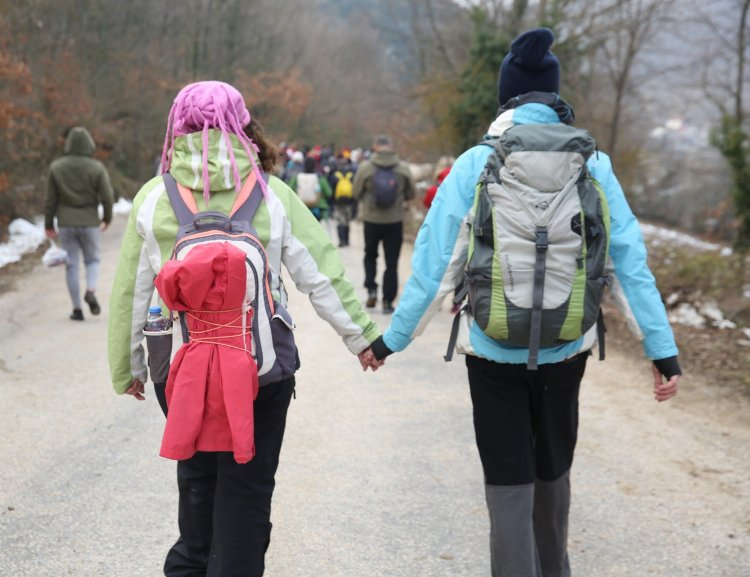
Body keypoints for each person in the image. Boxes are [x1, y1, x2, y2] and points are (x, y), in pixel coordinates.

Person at [368, 28, 681, 577]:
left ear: (505, 97)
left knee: (507, 481)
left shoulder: (475, 164)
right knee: (552, 470)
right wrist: (662, 350)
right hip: (567, 345)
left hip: (492, 349)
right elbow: (628, 263)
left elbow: (436, 265)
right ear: (555, 96)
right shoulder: (594, 165)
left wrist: (391, 340)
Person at [107, 81, 382, 577]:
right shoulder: (272, 192)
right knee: (248, 491)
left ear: (177, 128)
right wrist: (361, 338)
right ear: (242, 126)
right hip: (260, 371)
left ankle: (191, 563)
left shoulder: (154, 197)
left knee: (197, 481)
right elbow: (321, 272)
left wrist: (128, 368)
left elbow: (132, 291)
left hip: (184, 370)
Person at [45, 126, 114, 321]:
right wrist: (107, 218)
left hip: (66, 223)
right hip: (90, 222)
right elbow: (107, 197)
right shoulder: (96, 168)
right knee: (92, 260)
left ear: (68, 144)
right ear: (89, 144)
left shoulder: (56, 167)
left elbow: (51, 199)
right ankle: (90, 290)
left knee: (71, 266)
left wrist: (49, 224)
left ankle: (77, 309)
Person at [352, 134, 416, 314]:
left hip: (371, 220)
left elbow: (356, 192)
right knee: (392, 262)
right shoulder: (403, 168)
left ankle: (371, 289)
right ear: (391, 147)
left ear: (375, 147)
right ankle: (388, 300)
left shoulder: (365, 167)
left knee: (370, 255)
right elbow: (411, 193)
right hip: (394, 221)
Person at [289, 155, 333, 221]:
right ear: (315, 166)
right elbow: (329, 193)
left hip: (300, 208)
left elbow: (289, 190)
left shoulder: (297, 177)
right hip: (318, 209)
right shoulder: (320, 178)